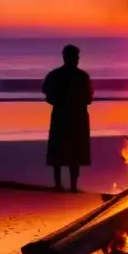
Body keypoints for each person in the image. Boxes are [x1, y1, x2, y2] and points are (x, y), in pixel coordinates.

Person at [42, 44, 93, 192]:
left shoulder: (57, 75)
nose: (77, 60)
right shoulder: (81, 77)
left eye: (77, 57)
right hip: (74, 116)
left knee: (64, 151)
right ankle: (70, 186)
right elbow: (89, 98)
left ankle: (63, 185)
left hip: (66, 115)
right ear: (67, 57)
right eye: (75, 57)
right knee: (70, 152)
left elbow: (46, 93)